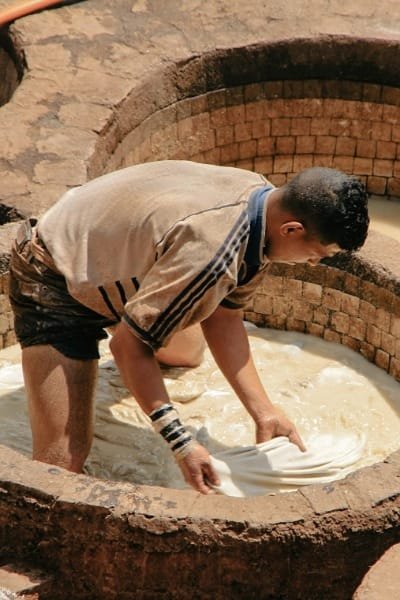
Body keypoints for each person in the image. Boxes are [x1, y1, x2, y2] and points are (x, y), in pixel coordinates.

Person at [8, 160, 369, 494]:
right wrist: (180, 442)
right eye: (317, 255)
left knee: (186, 352)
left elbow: (224, 316)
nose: (312, 264)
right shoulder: (212, 252)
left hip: (117, 257)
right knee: (61, 463)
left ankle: (135, 324)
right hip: (54, 274)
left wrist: (264, 411)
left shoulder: (262, 201)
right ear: (292, 229)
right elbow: (126, 348)